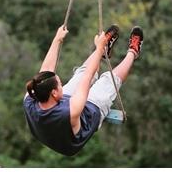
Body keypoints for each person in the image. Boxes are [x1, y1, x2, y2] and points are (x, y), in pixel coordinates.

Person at [23, 24, 143, 156]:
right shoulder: (69, 112)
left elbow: (45, 71)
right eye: (60, 84)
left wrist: (57, 39)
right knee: (107, 80)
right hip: (80, 125)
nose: (61, 85)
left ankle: (102, 51)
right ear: (54, 93)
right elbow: (88, 78)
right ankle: (133, 52)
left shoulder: (31, 97)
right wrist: (98, 49)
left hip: (54, 122)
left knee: (81, 72)